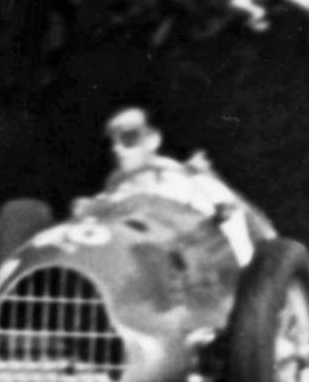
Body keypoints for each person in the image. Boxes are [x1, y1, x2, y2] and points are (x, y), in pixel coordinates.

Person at [96, 106, 272, 268]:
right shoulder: (115, 191)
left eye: (129, 137)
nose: (117, 148)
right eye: (111, 142)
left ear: (152, 140)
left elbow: (226, 232)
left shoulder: (183, 181)